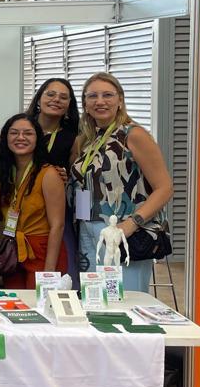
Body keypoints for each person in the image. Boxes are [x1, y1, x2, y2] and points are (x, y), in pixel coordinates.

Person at [71, 71, 174, 292]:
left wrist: (130, 225)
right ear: (85, 104)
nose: (100, 101)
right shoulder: (87, 139)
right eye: (92, 96)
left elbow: (164, 188)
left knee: (124, 300)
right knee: (94, 298)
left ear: (120, 100)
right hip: (88, 228)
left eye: (107, 95)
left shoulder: (133, 135)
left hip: (123, 230)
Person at [0, 114, 66, 288]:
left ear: (37, 139)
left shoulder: (48, 174)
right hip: (13, 252)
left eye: (28, 133)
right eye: (14, 133)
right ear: (5, 138)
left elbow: (58, 225)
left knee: (39, 306)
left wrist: (49, 270)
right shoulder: (3, 173)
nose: (20, 138)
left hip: (42, 251)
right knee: (14, 307)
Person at [26, 77, 81, 279]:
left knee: (62, 264)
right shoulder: (22, 129)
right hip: (22, 209)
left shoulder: (74, 137)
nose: (56, 99)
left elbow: (78, 176)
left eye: (63, 97)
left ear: (69, 106)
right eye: (51, 94)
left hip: (55, 210)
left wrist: (68, 178)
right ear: (39, 99)